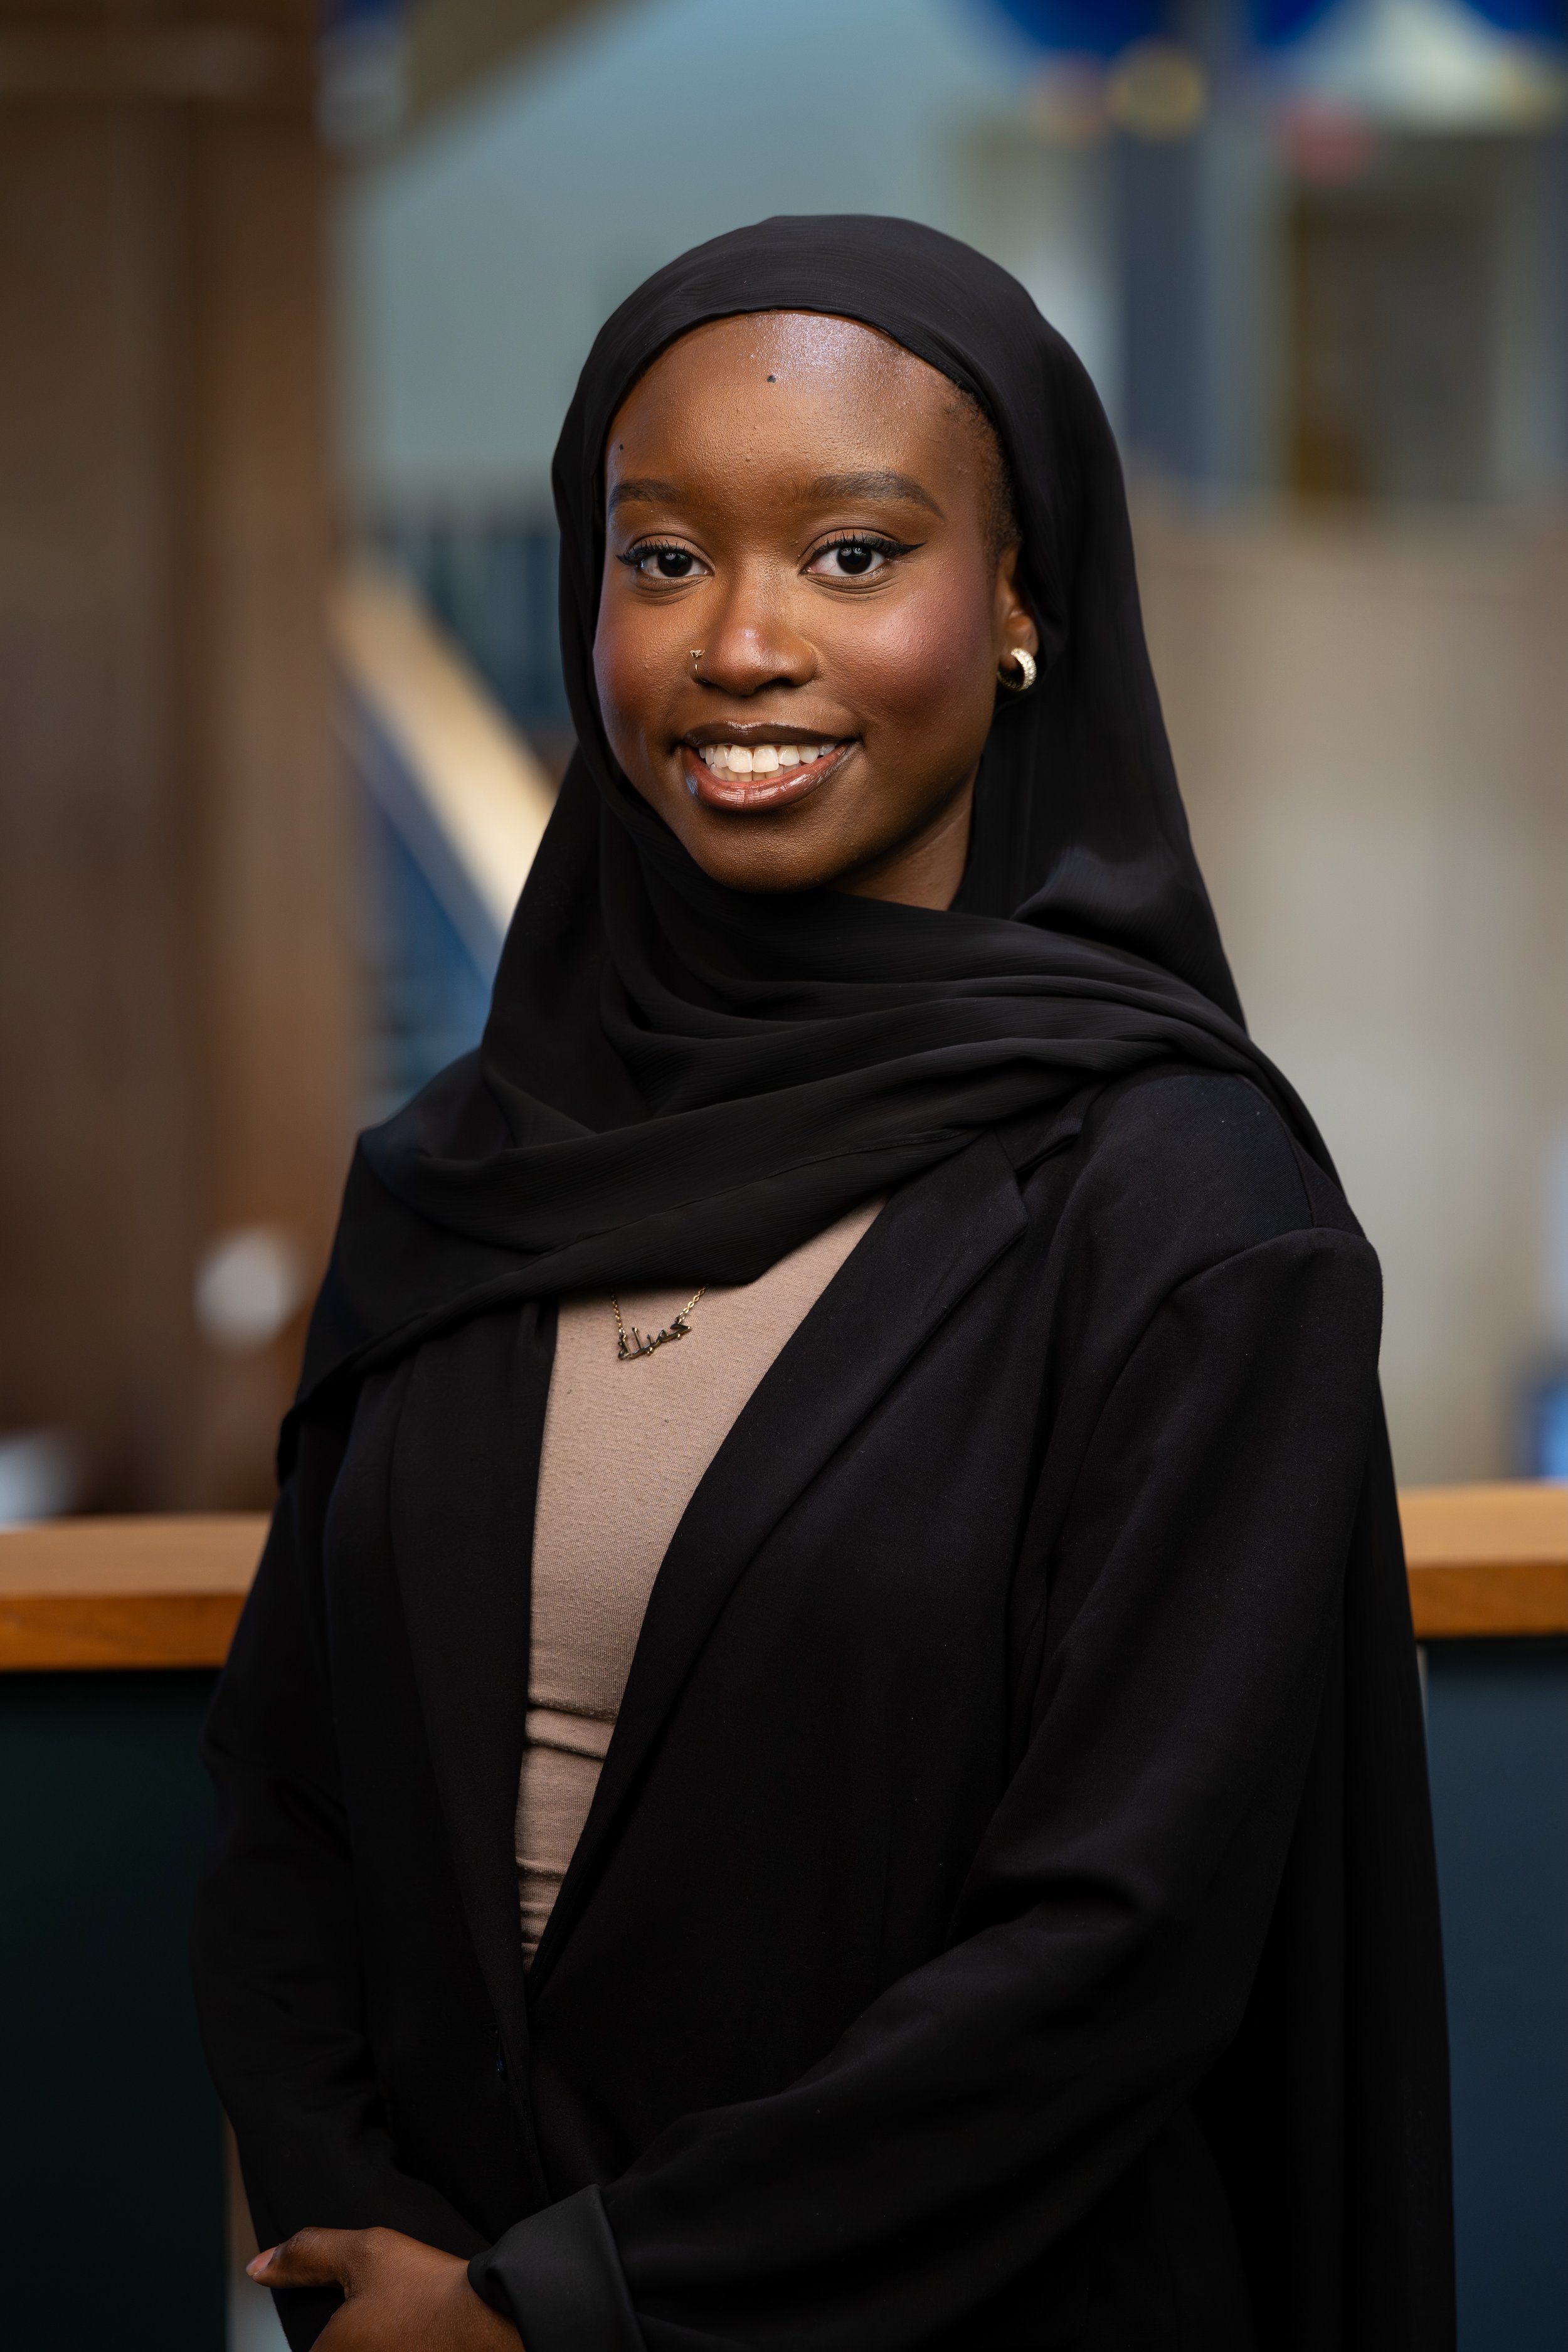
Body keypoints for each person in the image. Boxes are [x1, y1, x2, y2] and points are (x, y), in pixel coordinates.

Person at [193, 216, 1453, 2352]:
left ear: (1025, 601)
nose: (737, 643)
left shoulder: (1184, 1209)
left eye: (854, 556)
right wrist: (365, 2255)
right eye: (660, 555)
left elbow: (1112, 1951)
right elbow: (286, 1806)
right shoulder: (456, 1177)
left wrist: (571, 2312)